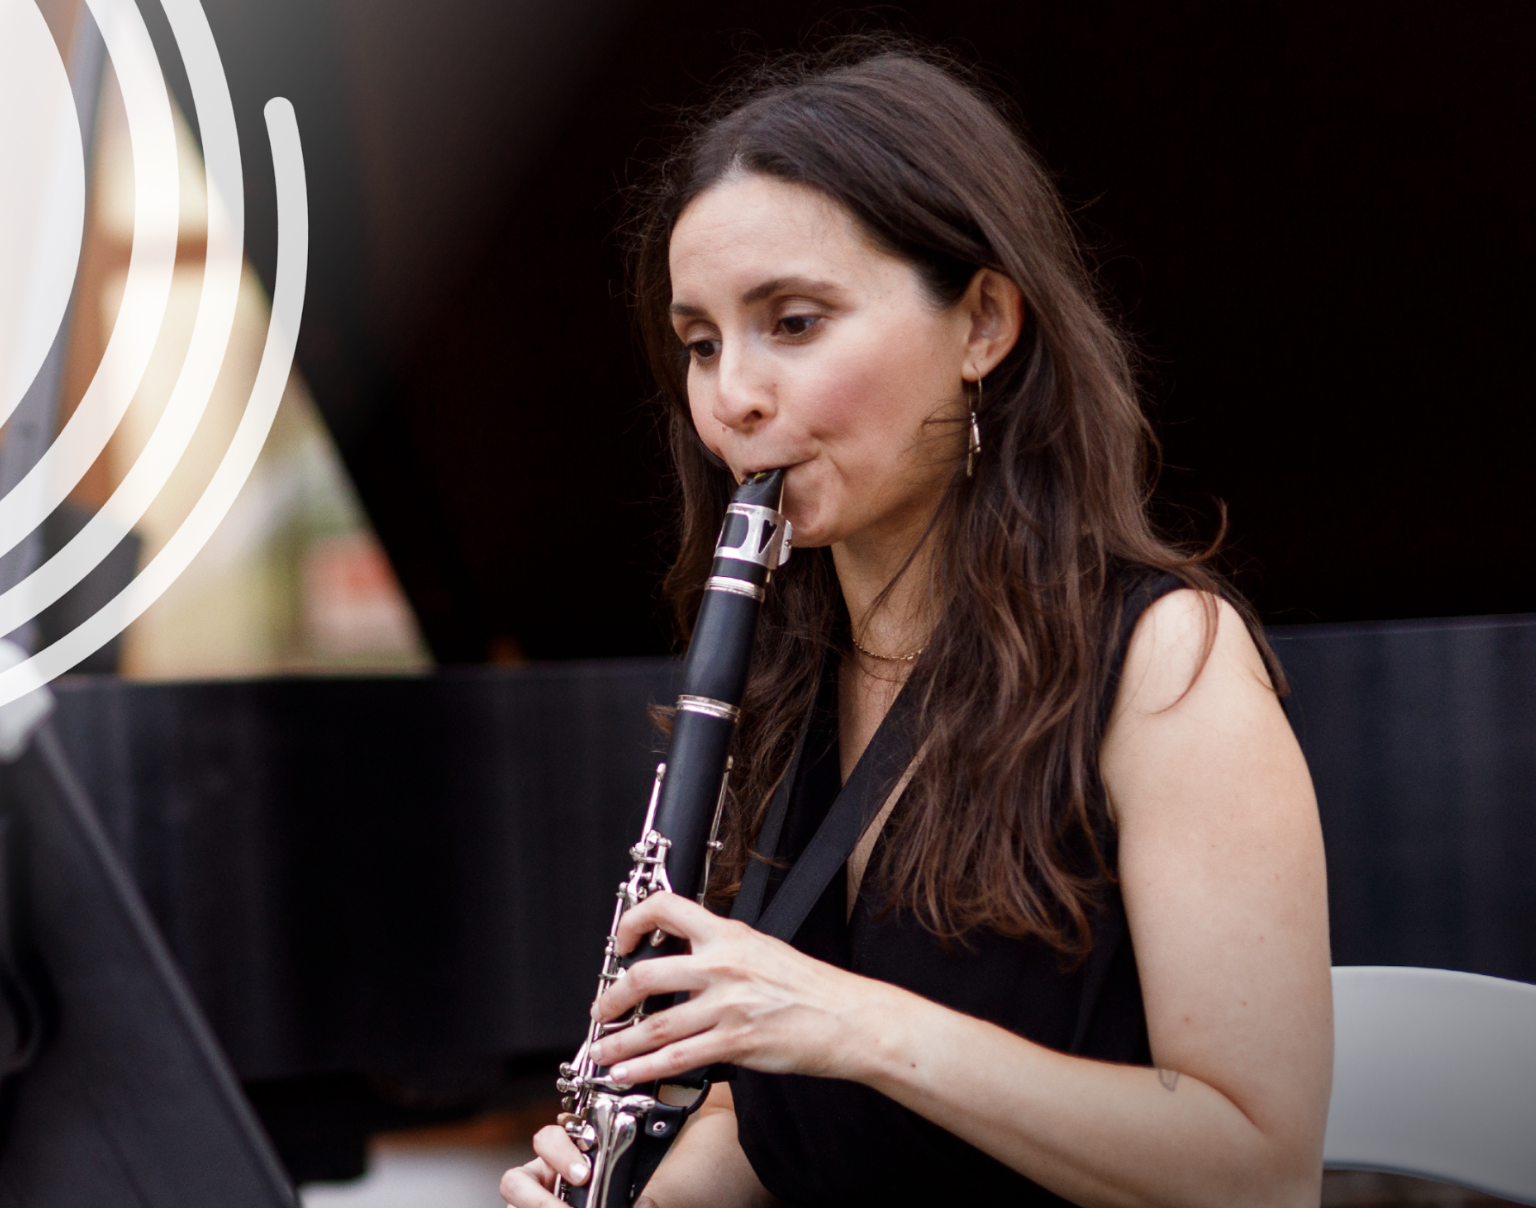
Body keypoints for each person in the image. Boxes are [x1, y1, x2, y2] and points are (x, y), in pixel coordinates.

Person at [502, 41, 1330, 1208]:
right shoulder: (781, 682)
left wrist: (848, 1020)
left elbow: (1261, 1169)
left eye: (792, 322)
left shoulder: (1166, 665)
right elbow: (767, 1108)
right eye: (700, 342)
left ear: (983, 324)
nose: (731, 394)